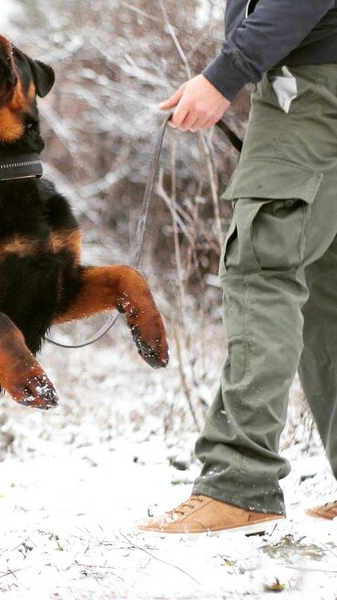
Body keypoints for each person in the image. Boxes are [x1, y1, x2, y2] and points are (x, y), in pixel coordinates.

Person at [139, 0, 337, 534]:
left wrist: (225, 73)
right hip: (315, 80)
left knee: (262, 271)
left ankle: (238, 486)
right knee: (326, 287)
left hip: (312, 89)